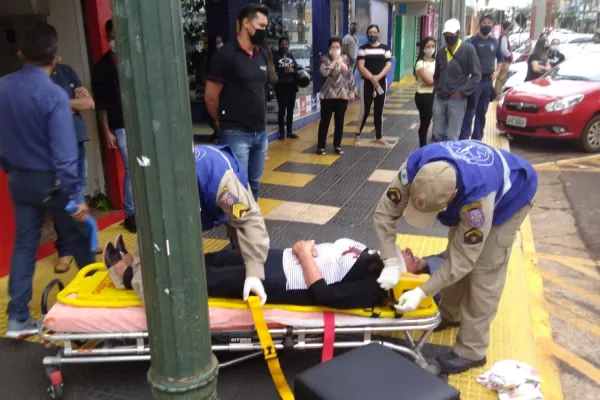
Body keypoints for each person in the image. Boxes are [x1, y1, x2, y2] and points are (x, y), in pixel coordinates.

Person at [373, 140, 538, 374]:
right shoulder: (413, 169)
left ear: (453, 196)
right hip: (473, 182)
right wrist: (390, 260)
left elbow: (464, 260)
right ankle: (450, 314)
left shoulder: (476, 203)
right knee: (454, 252)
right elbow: (384, 214)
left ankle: (472, 350)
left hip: (512, 198)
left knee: (484, 270)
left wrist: (422, 291)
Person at [0, 23, 94, 339]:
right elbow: (65, 154)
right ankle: (95, 307)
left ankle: (17, 319)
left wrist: (10, 168)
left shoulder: (2, 87)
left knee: (25, 246)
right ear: (55, 59)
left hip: (19, 179)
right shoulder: (54, 95)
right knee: (81, 238)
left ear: (20, 53)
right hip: (53, 182)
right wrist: (76, 197)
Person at [205, 4, 270, 200]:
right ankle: (237, 222)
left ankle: (251, 220)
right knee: (236, 189)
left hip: (260, 133)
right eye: (261, 26)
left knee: (254, 185)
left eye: (266, 26)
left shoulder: (261, 54)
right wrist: (221, 122)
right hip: (236, 134)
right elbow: (211, 97)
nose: (264, 30)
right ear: (246, 23)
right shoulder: (225, 55)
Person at [50, 61, 95, 273]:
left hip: (77, 139)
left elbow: (89, 103)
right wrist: (72, 104)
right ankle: (65, 250)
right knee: (62, 197)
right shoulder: (39, 78)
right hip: (55, 144)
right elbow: (48, 110)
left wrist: (63, 105)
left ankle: (86, 242)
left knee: (79, 194)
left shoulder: (67, 71)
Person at [92, 19, 136, 233]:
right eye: (112, 36)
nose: (115, 40)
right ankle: (130, 213)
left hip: (140, 122)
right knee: (132, 168)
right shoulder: (102, 67)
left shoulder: (134, 61)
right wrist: (106, 131)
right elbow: (101, 104)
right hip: (120, 124)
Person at [432, 19, 481, 142]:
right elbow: (437, 75)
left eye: (451, 34)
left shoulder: (468, 50)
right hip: (440, 97)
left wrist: (462, 92)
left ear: (459, 33)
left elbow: (476, 75)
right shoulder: (441, 53)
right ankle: (442, 152)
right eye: (446, 34)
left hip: (457, 98)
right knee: (437, 133)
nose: (448, 37)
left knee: (452, 135)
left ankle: (450, 154)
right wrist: (437, 90)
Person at [460, 15, 504, 141]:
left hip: (487, 83)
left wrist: (497, 71)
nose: (487, 25)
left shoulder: (495, 41)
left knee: (482, 112)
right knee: (470, 112)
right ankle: (464, 138)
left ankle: (477, 139)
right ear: (479, 24)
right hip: (474, 83)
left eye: (489, 23)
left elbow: (501, 57)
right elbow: (462, 57)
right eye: (484, 23)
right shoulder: (471, 41)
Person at [317, 37, 356, 155]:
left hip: (342, 95)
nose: (335, 50)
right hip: (327, 96)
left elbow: (349, 75)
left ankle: (337, 145)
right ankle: (321, 146)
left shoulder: (345, 59)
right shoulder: (324, 59)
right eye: (332, 47)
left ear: (341, 48)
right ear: (329, 48)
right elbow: (324, 73)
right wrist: (334, 62)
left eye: (337, 47)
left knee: (339, 122)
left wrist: (352, 91)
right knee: (325, 121)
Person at [355, 24, 393, 146]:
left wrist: (378, 77)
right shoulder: (362, 48)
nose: (372, 35)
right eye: (370, 33)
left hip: (381, 82)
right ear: (367, 34)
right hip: (366, 83)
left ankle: (379, 137)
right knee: (364, 110)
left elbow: (388, 65)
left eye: (374, 32)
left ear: (378, 33)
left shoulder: (385, 48)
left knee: (379, 110)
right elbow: (360, 66)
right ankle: (357, 135)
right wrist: (372, 78)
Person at [273, 37, 299, 140]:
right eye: (282, 44)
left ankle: (289, 131)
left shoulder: (291, 55)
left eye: (286, 44)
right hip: (280, 86)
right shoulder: (275, 56)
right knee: (282, 109)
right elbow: (273, 71)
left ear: (289, 45)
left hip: (291, 86)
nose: (284, 46)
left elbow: (296, 68)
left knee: (290, 109)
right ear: (279, 45)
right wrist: (284, 71)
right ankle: (282, 133)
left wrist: (293, 70)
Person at [413, 37, 436, 148]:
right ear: (423, 48)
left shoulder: (437, 61)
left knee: (433, 120)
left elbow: (434, 80)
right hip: (423, 96)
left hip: (435, 95)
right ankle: (423, 145)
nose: (431, 49)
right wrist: (434, 79)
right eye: (428, 46)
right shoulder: (420, 63)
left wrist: (431, 79)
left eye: (433, 46)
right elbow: (430, 81)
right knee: (425, 121)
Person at [494, 21, 513, 96]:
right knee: (501, 77)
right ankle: (497, 93)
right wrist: (510, 55)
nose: (509, 31)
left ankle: (497, 92)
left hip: (504, 60)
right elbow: (504, 49)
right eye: (509, 29)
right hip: (505, 60)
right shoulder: (504, 37)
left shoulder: (503, 37)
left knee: (501, 77)